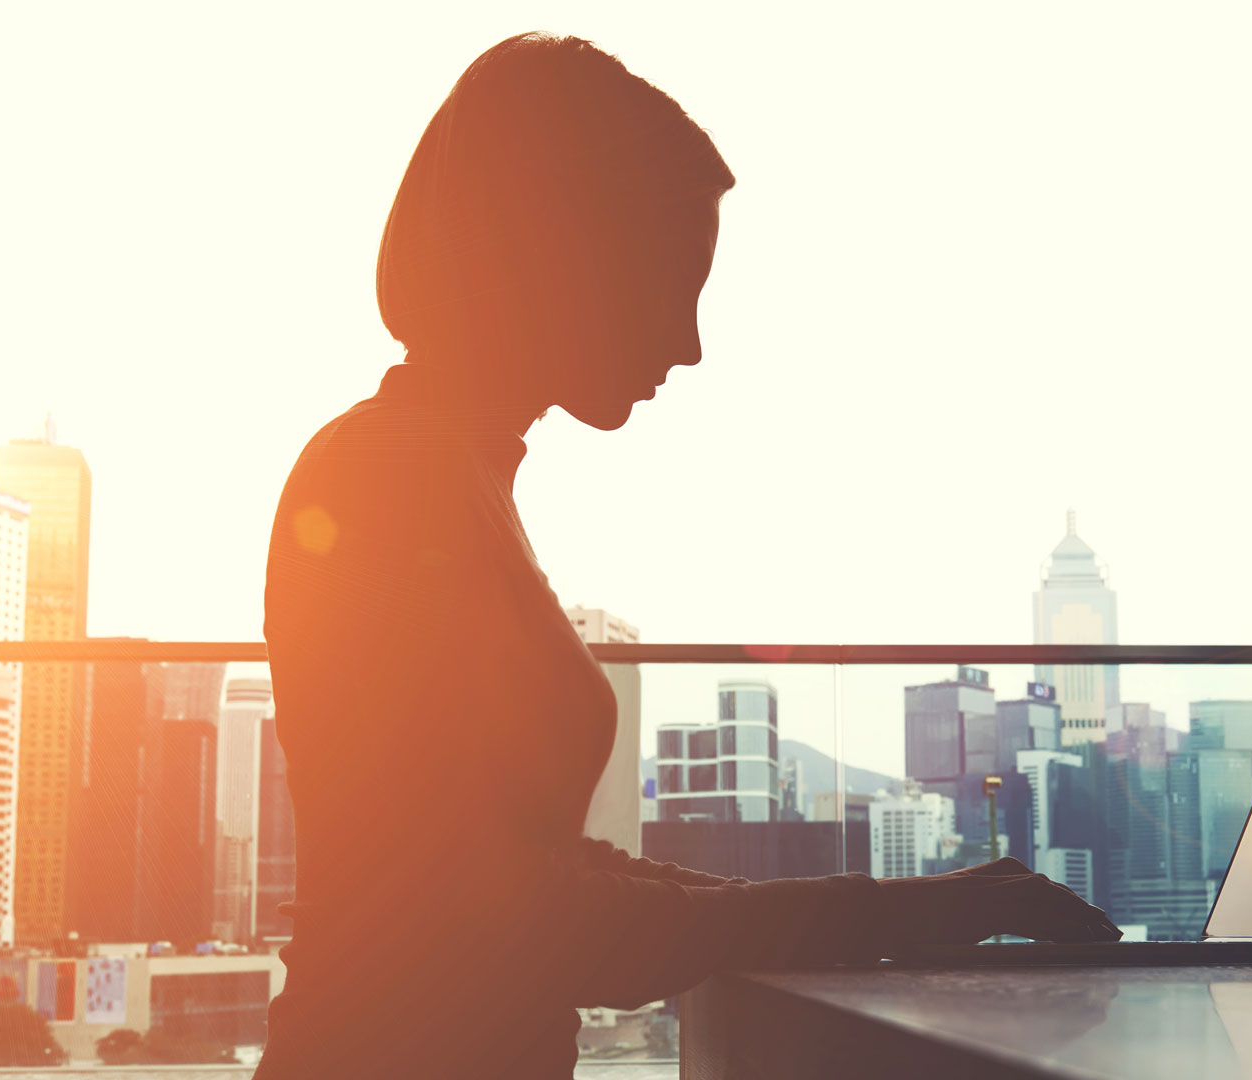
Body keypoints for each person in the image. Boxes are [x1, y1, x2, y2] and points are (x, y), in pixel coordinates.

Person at [252, 33, 1118, 1079]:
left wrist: (912, 906)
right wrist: (909, 907)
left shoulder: (440, 473)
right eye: (670, 281)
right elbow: (524, 919)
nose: (688, 342)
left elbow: (539, 871)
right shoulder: (395, 483)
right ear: (556, 257)